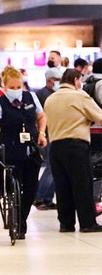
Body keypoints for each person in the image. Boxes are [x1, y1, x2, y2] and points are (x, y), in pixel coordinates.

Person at [0, 66, 47, 239]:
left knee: (31, 188)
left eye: (18, 87)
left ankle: (21, 218)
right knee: (15, 187)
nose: (15, 90)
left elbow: (41, 117)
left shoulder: (31, 97)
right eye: (11, 87)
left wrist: (41, 133)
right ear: (4, 87)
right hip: (11, 151)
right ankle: (18, 222)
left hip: (31, 149)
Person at [43, 68, 102, 233]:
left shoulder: (51, 99)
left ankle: (66, 224)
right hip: (76, 146)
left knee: (62, 187)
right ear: (76, 80)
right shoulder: (79, 96)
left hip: (55, 147)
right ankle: (87, 223)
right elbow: (99, 117)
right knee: (82, 185)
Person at [33, 67, 62, 210]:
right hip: (47, 134)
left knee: (54, 167)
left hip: (54, 133)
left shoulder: (53, 94)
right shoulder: (43, 94)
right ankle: (39, 197)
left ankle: (47, 198)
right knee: (50, 167)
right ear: (49, 80)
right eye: (56, 80)